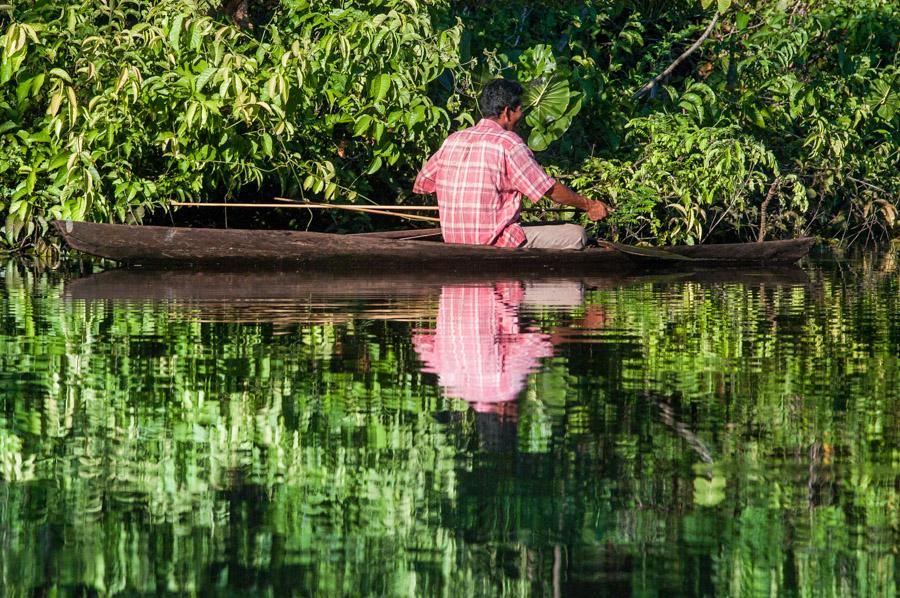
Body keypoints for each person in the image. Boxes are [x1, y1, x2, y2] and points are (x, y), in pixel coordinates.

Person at [413, 78, 613, 250]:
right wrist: (590, 204)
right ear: (508, 112)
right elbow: (548, 189)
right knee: (576, 234)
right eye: (520, 110)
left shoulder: (452, 140)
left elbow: (423, 184)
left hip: (453, 240)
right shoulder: (508, 142)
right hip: (495, 243)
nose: (522, 116)